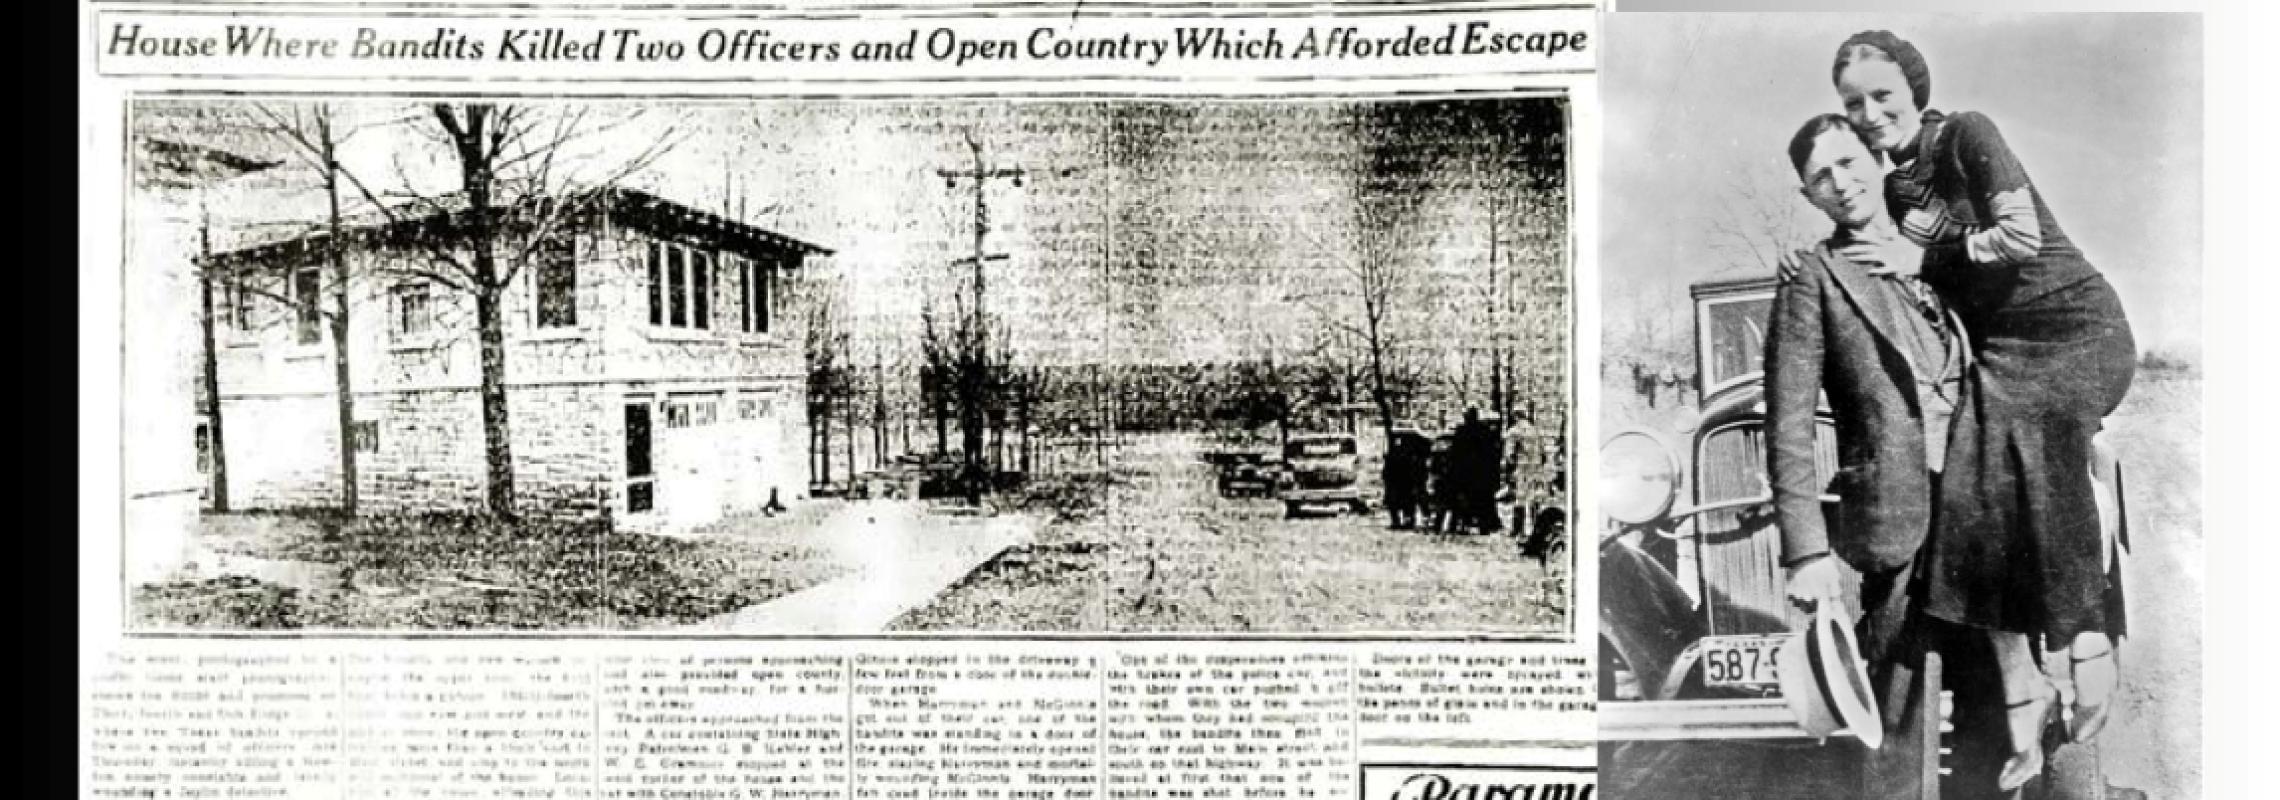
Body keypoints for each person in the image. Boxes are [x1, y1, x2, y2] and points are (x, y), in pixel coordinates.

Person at [1818, 30, 2133, 788]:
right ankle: (2021, 683)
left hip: (2074, 329)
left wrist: (1925, 257)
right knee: (1963, 497)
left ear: (1915, 90)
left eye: (1883, 95)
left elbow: (2020, 237)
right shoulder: (1894, 189)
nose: (1869, 113)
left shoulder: (1968, 134)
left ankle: (2087, 642)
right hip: (1999, 356)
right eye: (1852, 104)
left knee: (2028, 445)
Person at [1767, 113, 2005, 799]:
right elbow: (1786, 425)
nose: (1840, 183)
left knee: (1998, 694)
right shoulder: (1813, 277)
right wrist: (1807, 554)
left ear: (1876, 160)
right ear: (1809, 196)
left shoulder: (1940, 251)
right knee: (1900, 711)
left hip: (1982, 504)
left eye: (1848, 163)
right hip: (1899, 519)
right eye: (1820, 178)